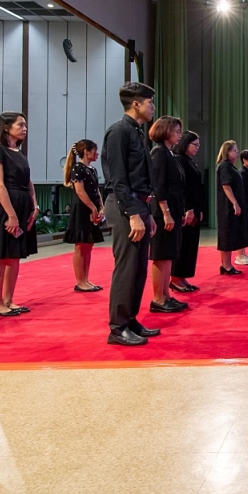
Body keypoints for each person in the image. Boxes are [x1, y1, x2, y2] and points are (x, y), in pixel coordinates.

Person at [102, 81, 161, 346]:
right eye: (150, 102)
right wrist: (132, 214)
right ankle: (117, 328)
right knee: (126, 268)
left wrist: (146, 213)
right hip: (125, 205)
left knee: (138, 269)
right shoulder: (118, 131)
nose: (153, 107)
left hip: (139, 205)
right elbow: (118, 178)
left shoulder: (137, 132)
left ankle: (130, 319)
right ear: (135, 104)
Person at [0, 112, 38, 316]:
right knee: (2, 256)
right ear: (6, 127)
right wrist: (11, 215)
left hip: (22, 204)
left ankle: (9, 300)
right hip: (6, 206)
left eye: (25, 125)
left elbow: (28, 181)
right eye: (20, 125)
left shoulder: (19, 152)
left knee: (15, 256)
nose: (24, 129)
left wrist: (34, 205)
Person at [148, 116, 188, 314]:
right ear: (165, 131)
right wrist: (166, 213)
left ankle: (166, 295)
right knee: (161, 255)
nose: (179, 135)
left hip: (172, 210)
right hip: (163, 213)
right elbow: (159, 186)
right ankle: (158, 298)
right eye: (176, 131)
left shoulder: (169, 153)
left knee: (168, 256)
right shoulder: (159, 153)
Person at [63, 139, 105, 292]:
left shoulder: (92, 169)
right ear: (86, 152)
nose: (97, 154)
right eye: (94, 151)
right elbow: (80, 191)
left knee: (89, 244)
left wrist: (101, 207)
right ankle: (80, 281)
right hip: (82, 208)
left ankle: (86, 279)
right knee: (81, 245)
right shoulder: (78, 168)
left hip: (92, 207)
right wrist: (93, 208)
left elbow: (96, 190)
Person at [170, 131, 205, 293]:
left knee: (190, 244)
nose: (197, 147)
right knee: (183, 244)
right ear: (185, 143)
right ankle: (175, 278)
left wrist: (199, 209)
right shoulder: (178, 160)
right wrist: (188, 209)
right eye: (194, 144)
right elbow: (181, 188)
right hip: (186, 209)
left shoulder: (188, 161)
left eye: (198, 145)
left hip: (194, 208)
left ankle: (182, 276)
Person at [215, 141, 247, 275]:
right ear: (227, 152)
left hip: (230, 206)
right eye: (234, 150)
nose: (237, 153)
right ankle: (226, 265)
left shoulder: (230, 166)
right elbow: (226, 186)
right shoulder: (224, 166)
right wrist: (235, 203)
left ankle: (227, 264)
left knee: (229, 234)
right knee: (226, 235)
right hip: (227, 207)